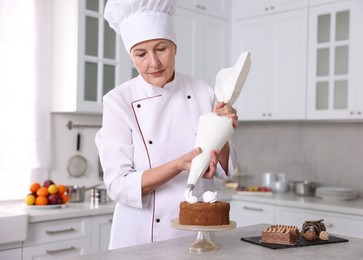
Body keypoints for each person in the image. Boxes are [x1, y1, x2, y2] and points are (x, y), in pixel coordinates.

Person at [95, 0, 239, 249]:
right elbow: (119, 186)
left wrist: (222, 130)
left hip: (196, 235)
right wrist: (177, 165)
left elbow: (225, 169)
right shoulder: (118, 101)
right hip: (137, 238)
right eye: (141, 54)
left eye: (161, 49)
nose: (154, 62)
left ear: (175, 47)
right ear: (131, 56)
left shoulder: (203, 92)